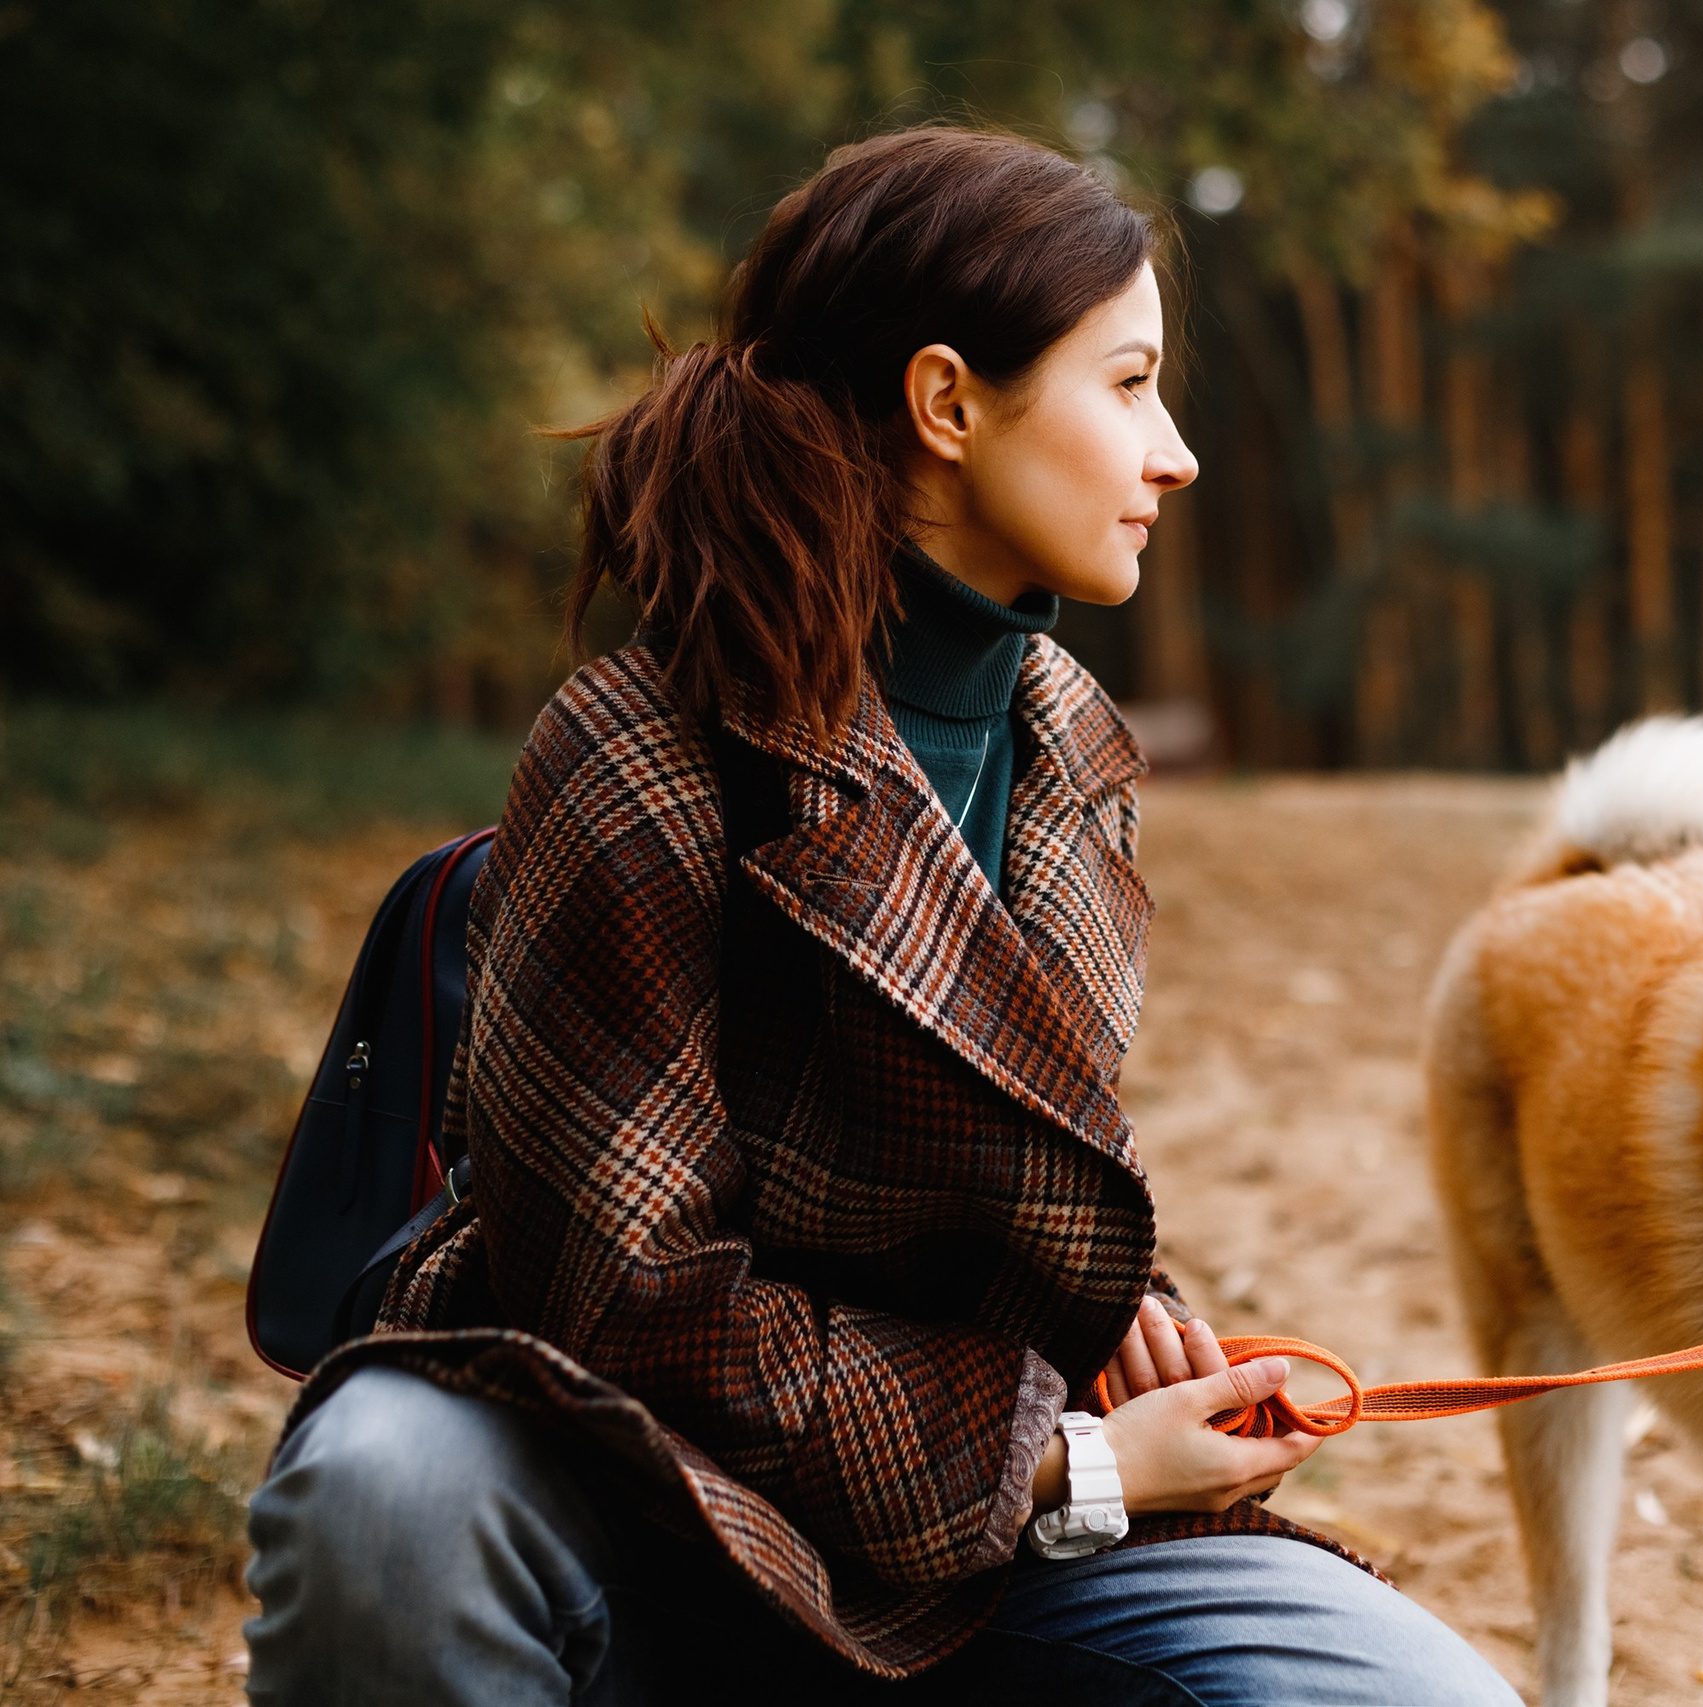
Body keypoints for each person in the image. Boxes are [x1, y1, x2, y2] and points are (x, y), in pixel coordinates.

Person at [239, 126, 1522, 1707]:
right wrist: (1071, 1465)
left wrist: (1133, 1319)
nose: (1176, 453)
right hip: (637, 1493)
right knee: (387, 1493)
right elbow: (637, 1313)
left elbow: (996, 1161)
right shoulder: (632, 751)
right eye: (1128, 386)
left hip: (976, 1536)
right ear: (948, 405)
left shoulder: (1071, 742)